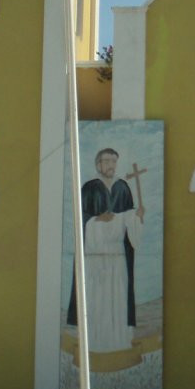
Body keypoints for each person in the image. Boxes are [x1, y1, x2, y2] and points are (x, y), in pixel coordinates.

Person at [67, 148, 144, 352]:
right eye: (107, 161)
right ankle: (93, 344)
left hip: (118, 257)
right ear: (98, 164)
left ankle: (119, 343)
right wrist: (97, 220)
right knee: (96, 300)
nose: (111, 165)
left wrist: (136, 217)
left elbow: (129, 219)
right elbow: (80, 219)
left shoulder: (123, 187)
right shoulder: (89, 187)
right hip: (94, 257)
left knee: (117, 299)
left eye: (114, 161)